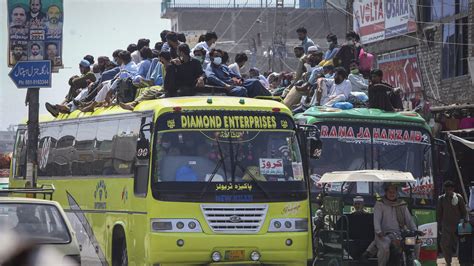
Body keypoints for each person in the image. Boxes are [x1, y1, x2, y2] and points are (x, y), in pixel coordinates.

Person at [372, 183, 417, 266]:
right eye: (390, 192)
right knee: (385, 248)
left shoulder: (401, 204)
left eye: (394, 192)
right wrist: (379, 231)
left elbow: (409, 220)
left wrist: (415, 230)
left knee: (415, 243)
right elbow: (376, 220)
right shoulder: (380, 204)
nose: (392, 194)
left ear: (397, 193)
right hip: (384, 235)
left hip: (400, 235)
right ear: (385, 192)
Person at [206, 49, 270, 98]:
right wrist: (225, 85)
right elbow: (210, 77)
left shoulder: (223, 67)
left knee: (255, 82)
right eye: (216, 56)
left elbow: (234, 75)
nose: (219, 58)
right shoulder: (210, 67)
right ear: (211, 58)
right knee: (242, 90)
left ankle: (270, 98)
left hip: (235, 83)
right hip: (227, 87)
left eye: (220, 56)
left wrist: (239, 80)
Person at [437, 180, 468, 266]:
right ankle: (448, 262)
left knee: (460, 245)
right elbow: (439, 213)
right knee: (445, 245)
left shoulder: (458, 197)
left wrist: (464, 221)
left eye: (450, 189)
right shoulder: (441, 199)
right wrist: (439, 226)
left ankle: (463, 261)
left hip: (458, 226)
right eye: (447, 189)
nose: (449, 191)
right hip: (446, 226)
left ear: (453, 189)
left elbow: (464, 212)